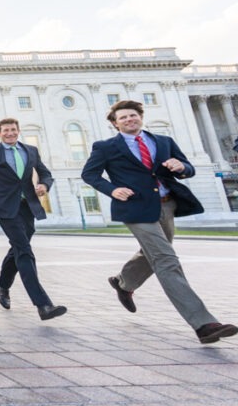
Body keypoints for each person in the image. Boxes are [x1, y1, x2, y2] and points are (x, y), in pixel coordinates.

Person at [82, 99, 237, 344]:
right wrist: (112, 190)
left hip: (166, 204)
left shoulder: (163, 141)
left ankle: (124, 283)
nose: (129, 119)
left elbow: (188, 168)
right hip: (134, 207)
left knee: (152, 253)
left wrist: (181, 167)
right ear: (115, 124)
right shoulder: (105, 147)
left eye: (133, 115)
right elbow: (89, 174)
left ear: (140, 117)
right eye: (123, 118)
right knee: (166, 259)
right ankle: (204, 324)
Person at [0, 118, 66, 321]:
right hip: (5, 208)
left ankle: (3, 284)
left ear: (18, 131)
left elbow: (46, 174)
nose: (10, 133)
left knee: (19, 248)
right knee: (24, 251)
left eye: (13, 130)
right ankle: (43, 304)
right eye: (6, 130)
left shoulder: (31, 150)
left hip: (27, 206)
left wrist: (44, 186)